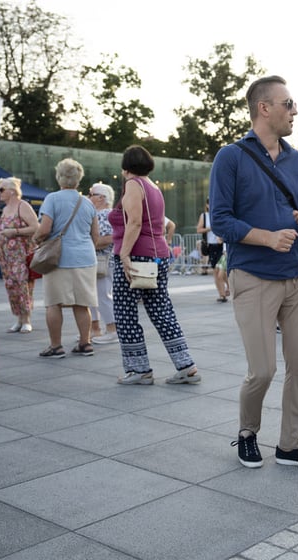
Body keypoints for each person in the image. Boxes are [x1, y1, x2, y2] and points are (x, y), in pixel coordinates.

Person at [209, 75, 298, 471]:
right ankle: (247, 433)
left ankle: (290, 444)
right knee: (262, 370)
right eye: (288, 103)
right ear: (264, 108)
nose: (294, 110)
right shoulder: (231, 157)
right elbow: (221, 220)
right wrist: (265, 237)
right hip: (253, 276)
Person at [109, 145, 201, 385]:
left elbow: (135, 222)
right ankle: (186, 365)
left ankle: (139, 370)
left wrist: (124, 255)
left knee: (125, 312)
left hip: (136, 255)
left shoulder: (133, 184)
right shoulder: (153, 187)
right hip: (157, 255)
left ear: (126, 166)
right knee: (162, 310)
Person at [33, 159, 98, 359]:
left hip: (58, 258)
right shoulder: (88, 203)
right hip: (85, 257)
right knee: (82, 303)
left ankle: (56, 346)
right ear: (78, 180)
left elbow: (44, 229)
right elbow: (95, 235)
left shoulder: (52, 199)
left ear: (59, 177)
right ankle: (85, 343)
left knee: (54, 303)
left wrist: (36, 239)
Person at [0, 177, 39, 334]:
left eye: (1, 189)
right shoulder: (6, 208)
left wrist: (14, 232)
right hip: (6, 255)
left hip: (21, 254)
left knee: (23, 285)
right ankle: (18, 318)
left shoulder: (23, 206)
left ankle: (26, 319)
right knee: (11, 286)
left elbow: (36, 227)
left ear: (11, 191)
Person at [88, 183, 118, 344]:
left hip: (103, 260)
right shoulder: (99, 213)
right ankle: (97, 329)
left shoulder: (106, 213)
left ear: (101, 197)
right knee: (95, 296)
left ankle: (112, 329)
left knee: (102, 295)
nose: (89, 196)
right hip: (98, 260)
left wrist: (87, 243)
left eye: (91, 193)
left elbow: (107, 239)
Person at [197, 198, 226, 298]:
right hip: (212, 246)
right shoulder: (204, 216)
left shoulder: (220, 215)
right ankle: (222, 294)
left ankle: (228, 288)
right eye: (210, 204)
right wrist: (210, 229)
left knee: (223, 270)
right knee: (216, 271)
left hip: (222, 246)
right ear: (207, 205)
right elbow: (199, 229)